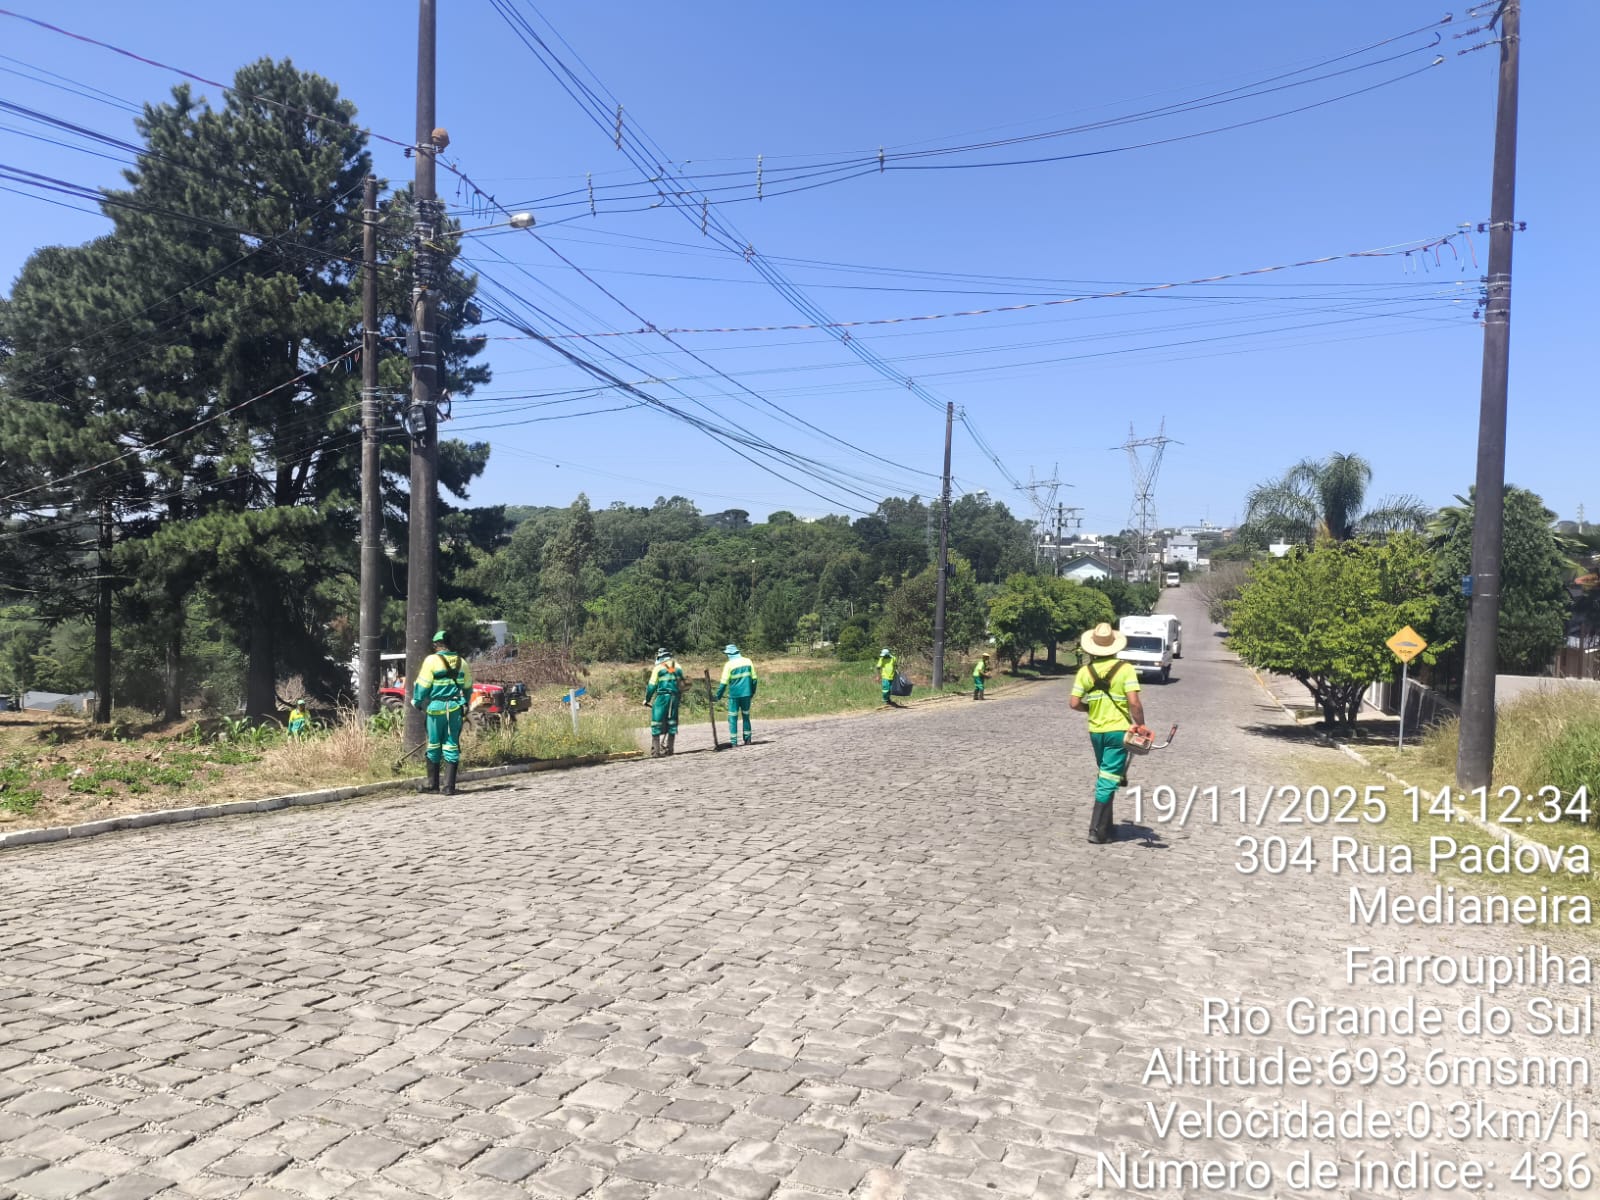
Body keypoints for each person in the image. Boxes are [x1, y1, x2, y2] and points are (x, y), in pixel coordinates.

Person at [1069, 622, 1150, 845]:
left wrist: (1090, 708)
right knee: (1108, 778)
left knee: (1107, 774)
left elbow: (1074, 703)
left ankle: (1108, 827)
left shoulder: (1085, 672)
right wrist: (1141, 725)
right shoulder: (1125, 669)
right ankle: (1096, 831)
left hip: (1096, 731)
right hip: (1118, 731)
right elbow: (1134, 703)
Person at [411, 629, 473, 795]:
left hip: (436, 709)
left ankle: (433, 785)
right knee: (451, 744)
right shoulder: (462, 662)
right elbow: (468, 688)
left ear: (437, 645)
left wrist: (416, 701)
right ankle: (449, 787)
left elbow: (422, 685)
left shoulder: (431, 660)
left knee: (433, 744)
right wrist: (466, 703)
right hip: (455, 709)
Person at [714, 643, 758, 746]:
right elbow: (754, 679)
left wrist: (718, 696)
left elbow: (723, 683)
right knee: (746, 716)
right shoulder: (748, 661)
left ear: (729, 654)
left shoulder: (729, 665)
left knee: (732, 718)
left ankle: (734, 742)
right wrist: (752, 692)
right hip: (746, 694)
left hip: (734, 696)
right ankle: (748, 739)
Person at [645, 648, 684, 758]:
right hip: (674, 697)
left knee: (656, 722)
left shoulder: (658, 668)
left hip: (662, 697)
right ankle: (670, 749)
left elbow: (651, 686)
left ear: (660, 657)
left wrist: (647, 699)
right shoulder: (678, 666)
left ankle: (655, 752)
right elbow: (682, 685)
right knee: (672, 722)